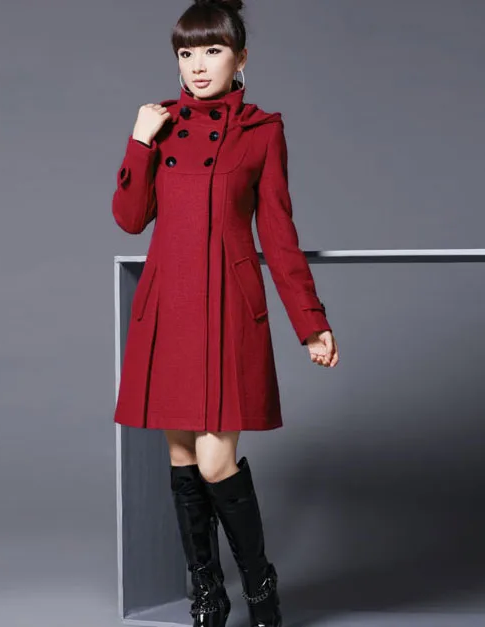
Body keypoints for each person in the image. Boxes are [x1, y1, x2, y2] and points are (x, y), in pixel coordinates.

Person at [112, 0, 339, 625]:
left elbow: (279, 233)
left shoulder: (262, 131)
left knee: (216, 460)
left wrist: (311, 322)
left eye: (212, 50)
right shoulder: (161, 124)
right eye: (186, 53)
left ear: (241, 57)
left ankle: (261, 590)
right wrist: (139, 140)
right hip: (167, 307)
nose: (197, 65)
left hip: (226, 308)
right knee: (183, 459)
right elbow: (130, 219)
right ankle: (207, 597)